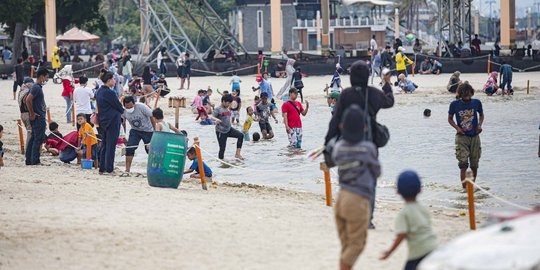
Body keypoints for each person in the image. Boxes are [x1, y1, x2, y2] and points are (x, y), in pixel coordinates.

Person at [325, 61, 394, 228]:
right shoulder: (375, 94)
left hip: (346, 143)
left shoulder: (346, 95)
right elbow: (389, 102)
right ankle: (367, 219)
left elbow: (335, 121)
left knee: (346, 179)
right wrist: (387, 84)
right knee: (370, 182)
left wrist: (327, 142)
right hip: (369, 144)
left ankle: (349, 214)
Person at [332, 104, 381, 270]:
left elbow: (335, 159)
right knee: (357, 245)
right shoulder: (368, 148)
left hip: (341, 198)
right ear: (364, 126)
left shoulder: (339, 148)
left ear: (341, 126)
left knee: (347, 244)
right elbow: (377, 171)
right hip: (358, 199)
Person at [380, 170, 438, 270]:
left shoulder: (403, 214)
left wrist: (390, 251)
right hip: (434, 248)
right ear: (420, 190)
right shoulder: (423, 209)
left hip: (417, 254)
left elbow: (401, 235)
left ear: (398, 191)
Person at [448, 82, 484, 189]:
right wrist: (457, 128)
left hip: (475, 136)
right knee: (463, 164)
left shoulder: (476, 103)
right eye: (464, 96)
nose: (467, 98)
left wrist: (479, 125)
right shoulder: (454, 104)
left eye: (469, 95)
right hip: (462, 137)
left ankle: (471, 188)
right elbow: (450, 119)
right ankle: (465, 190)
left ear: (472, 94)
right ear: (460, 95)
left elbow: (481, 115)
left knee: (474, 164)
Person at [95, 72, 124, 174]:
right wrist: (123, 111)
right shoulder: (110, 93)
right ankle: (109, 168)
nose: (114, 81)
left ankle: (102, 167)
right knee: (111, 145)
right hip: (112, 121)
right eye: (113, 79)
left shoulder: (98, 91)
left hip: (103, 121)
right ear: (109, 80)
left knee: (104, 144)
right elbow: (118, 106)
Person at [122, 96, 155, 173]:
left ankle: (152, 168)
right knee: (129, 148)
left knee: (150, 150)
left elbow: (151, 116)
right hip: (135, 131)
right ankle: (127, 169)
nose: (129, 108)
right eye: (127, 107)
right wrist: (123, 135)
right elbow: (123, 122)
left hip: (148, 130)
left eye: (131, 106)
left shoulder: (141, 106)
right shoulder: (123, 110)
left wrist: (155, 130)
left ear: (134, 104)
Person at [25, 68, 49, 166]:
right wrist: (32, 113)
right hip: (38, 118)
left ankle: (29, 160)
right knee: (37, 139)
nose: (47, 80)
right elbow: (28, 100)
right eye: (46, 77)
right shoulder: (36, 87)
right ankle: (35, 160)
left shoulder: (36, 87)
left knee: (33, 138)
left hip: (37, 117)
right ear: (41, 76)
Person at [210, 94, 244, 160]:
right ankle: (221, 161)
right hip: (221, 131)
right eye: (228, 103)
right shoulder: (218, 109)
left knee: (241, 135)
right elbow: (212, 117)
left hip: (229, 129)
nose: (229, 104)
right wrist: (216, 119)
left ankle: (237, 154)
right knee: (222, 148)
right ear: (223, 101)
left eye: (230, 103)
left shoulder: (228, 108)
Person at [18, 78, 34, 143]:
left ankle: (28, 150)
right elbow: (26, 101)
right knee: (31, 134)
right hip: (28, 114)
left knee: (29, 132)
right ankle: (28, 151)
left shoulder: (21, 91)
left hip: (22, 114)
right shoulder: (28, 91)